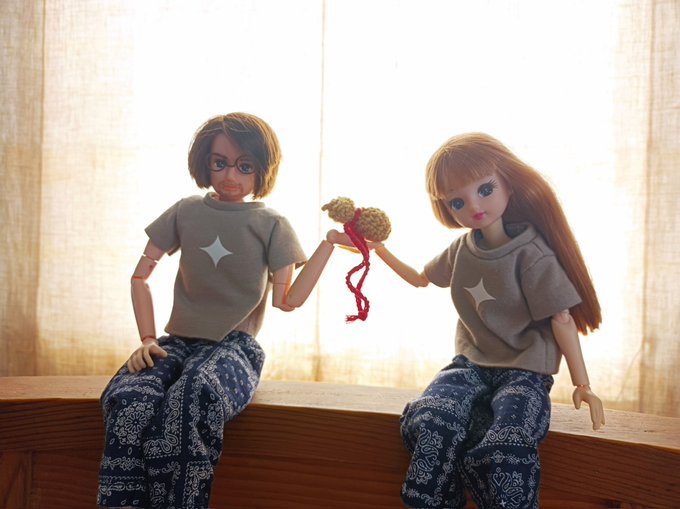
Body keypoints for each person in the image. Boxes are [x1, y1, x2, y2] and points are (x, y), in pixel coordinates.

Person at [97, 112, 339, 509]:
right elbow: (140, 276)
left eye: (245, 166)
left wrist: (327, 246)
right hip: (175, 341)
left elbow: (287, 300)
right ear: (204, 163)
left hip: (233, 346)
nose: (230, 175)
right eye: (219, 163)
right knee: (130, 397)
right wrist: (147, 338)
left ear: (262, 171)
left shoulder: (271, 224)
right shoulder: (186, 211)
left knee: (193, 396)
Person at [371, 133, 605, 509]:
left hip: (525, 369)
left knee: (505, 445)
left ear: (509, 183)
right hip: (470, 363)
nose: (474, 207)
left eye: (485, 189)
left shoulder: (531, 255)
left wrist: (583, 383)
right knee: (431, 417)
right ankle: (439, 500)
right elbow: (420, 278)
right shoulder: (461, 249)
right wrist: (377, 249)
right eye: (458, 201)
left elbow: (561, 318)